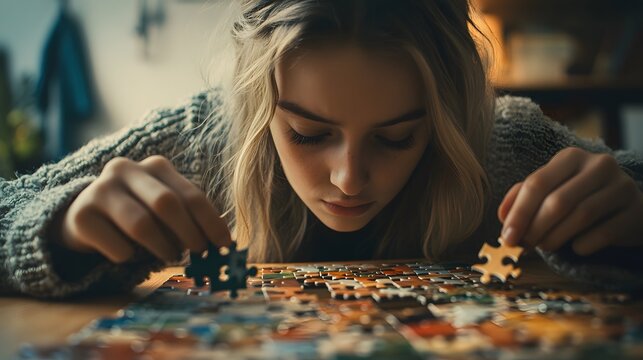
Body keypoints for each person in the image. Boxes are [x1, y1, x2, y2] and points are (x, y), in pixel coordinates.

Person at [1, 0, 642, 299]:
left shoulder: (503, 145)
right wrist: (57, 228)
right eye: (307, 134)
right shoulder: (201, 141)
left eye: (397, 137)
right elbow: (11, 206)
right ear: (260, 105)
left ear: (446, 117)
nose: (349, 178)